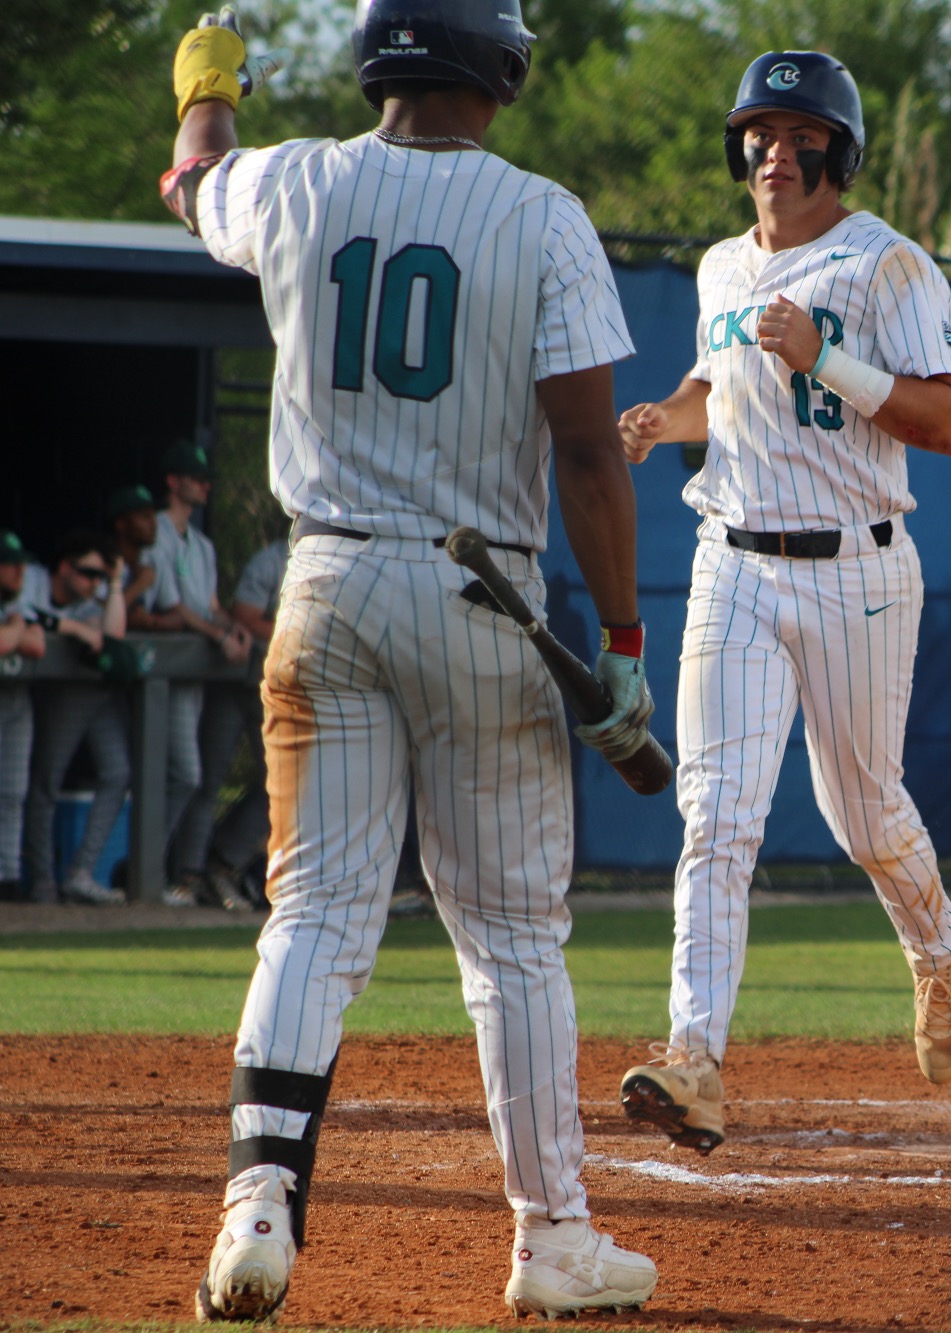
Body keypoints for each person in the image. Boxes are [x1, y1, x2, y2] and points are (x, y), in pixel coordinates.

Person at [160, 2, 657, 1319]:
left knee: (315, 914)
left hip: (323, 586)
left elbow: (195, 178)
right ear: (499, 64)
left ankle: (257, 1206)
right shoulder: (542, 214)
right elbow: (592, 450)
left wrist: (208, 82)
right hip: (481, 590)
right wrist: (620, 644)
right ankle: (552, 1239)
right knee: (511, 940)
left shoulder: (297, 179)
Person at [614, 50, 951, 1156]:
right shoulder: (721, 268)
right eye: (758, 133)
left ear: (837, 148)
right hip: (732, 558)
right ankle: (695, 1058)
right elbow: (715, 395)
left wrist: (829, 360)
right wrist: (663, 420)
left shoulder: (887, 266)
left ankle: (937, 947)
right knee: (716, 816)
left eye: (796, 132)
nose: (774, 150)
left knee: (863, 815)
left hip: (857, 566)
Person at [144, 442, 254, 907]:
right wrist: (219, 634)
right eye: (197, 478)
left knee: (191, 776)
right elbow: (172, 605)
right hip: (157, 669)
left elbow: (210, 606)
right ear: (174, 481)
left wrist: (236, 630)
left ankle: (174, 874)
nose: (206, 485)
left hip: (192, 676)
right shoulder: (156, 532)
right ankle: (148, 873)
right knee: (177, 774)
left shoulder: (202, 544)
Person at [175, 536, 287, 912]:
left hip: (280, 685)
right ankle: (186, 875)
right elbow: (246, 613)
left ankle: (222, 862)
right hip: (237, 679)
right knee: (207, 779)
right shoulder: (271, 559)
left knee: (282, 780)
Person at [19, 531, 130, 906]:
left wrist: (115, 584)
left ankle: (80, 873)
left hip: (88, 691)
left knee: (118, 773)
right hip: (48, 693)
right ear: (65, 567)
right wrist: (77, 629)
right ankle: (42, 882)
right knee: (45, 782)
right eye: (88, 574)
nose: (93, 583)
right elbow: (25, 616)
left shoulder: (93, 596)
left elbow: (113, 634)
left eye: (100, 577)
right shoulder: (31, 578)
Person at [0, 530, 47, 899]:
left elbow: (37, 644)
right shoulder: (16, 613)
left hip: (14, 702)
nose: (18, 572)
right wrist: (17, 628)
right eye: (10, 565)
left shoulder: (18, 605)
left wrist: (16, 627)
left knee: (13, 790)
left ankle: (9, 877)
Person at [106, 485, 165, 620]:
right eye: (145, 516)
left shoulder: (150, 564)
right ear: (120, 524)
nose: (154, 524)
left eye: (154, 516)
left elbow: (177, 614)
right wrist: (139, 585)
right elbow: (98, 615)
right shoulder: (102, 562)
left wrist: (151, 622)